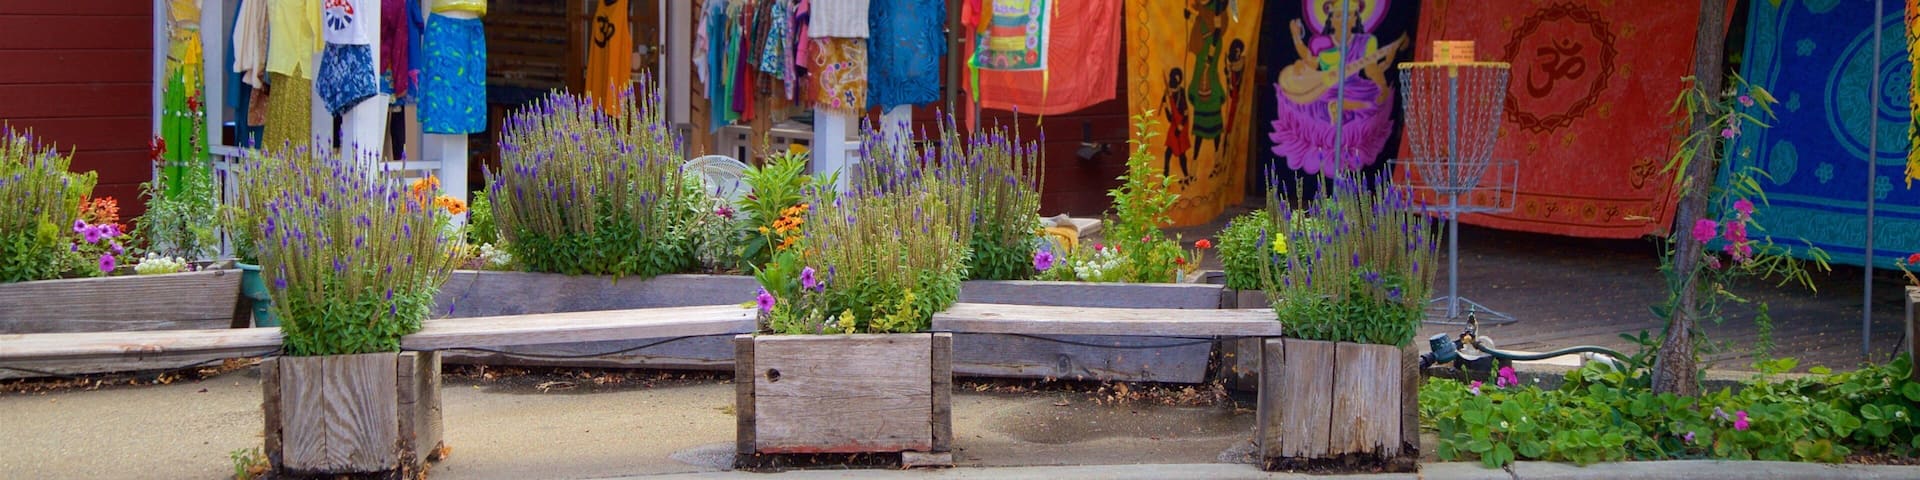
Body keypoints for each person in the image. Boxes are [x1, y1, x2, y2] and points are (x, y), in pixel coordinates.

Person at [1269, 0, 1405, 175]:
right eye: (1339, 15)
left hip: (1355, 88)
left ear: (1356, 19)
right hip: (1325, 87)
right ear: (1330, 19)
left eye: (1349, 15)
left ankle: (1349, 111)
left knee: (1373, 106)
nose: (1343, 20)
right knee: (1306, 105)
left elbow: (1371, 70)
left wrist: (1383, 87)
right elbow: (1311, 63)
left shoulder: (1366, 41)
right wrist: (1296, 39)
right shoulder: (1320, 42)